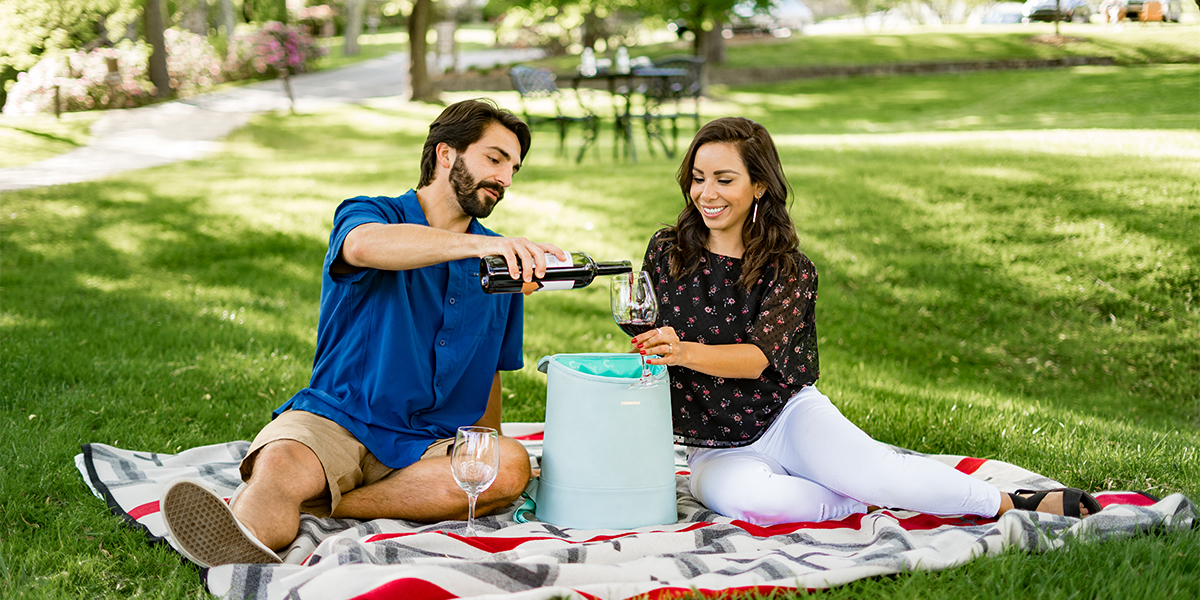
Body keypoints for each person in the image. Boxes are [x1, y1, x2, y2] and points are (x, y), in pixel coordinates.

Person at [629, 117, 1100, 525]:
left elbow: (756, 360)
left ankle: (1004, 502)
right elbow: (644, 318)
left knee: (881, 472)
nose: (705, 194)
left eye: (723, 179)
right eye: (697, 177)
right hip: (714, 443)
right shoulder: (669, 250)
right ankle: (866, 502)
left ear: (760, 185)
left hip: (786, 416)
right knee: (759, 502)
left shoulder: (789, 268)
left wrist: (682, 351)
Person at [160, 98, 567, 567]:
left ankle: (327, 502)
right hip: (339, 418)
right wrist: (482, 245)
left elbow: (490, 370)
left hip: (430, 442)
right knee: (280, 464)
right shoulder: (373, 215)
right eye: (494, 159)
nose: (506, 179)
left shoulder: (500, 266)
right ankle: (245, 542)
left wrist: (489, 450)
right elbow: (364, 245)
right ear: (446, 154)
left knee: (510, 465)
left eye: (514, 167)